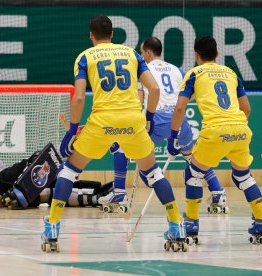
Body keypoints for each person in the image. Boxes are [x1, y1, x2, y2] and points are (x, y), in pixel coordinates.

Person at [41, 15, 187, 252]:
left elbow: (78, 97)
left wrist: (71, 132)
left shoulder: (85, 57)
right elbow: (154, 88)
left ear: (91, 35)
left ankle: (53, 227)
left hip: (102, 121)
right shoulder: (132, 54)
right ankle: (176, 225)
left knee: (70, 169)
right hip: (132, 120)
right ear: (112, 35)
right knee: (153, 173)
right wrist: (148, 118)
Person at [99, 37, 228, 214]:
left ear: (149, 52)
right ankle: (218, 192)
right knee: (193, 158)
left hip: (155, 119)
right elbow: (191, 94)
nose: (142, 56)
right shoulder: (176, 70)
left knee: (122, 147)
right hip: (178, 119)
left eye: (143, 52)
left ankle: (120, 193)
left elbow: (139, 101)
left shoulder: (142, 69)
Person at [168, 36, 262, 244]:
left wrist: (173, 136)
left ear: (196, 55)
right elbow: (247, 109)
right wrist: (235, 127)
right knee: (243, 177)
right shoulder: (232, 73)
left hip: (215, 132)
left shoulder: (194, 73)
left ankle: (191, 224)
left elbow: (180, 108)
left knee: (193, 174)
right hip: (241, 129)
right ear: (217, 54)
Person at [0, 120, 110, 209]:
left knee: (49, 195)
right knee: (37, 160)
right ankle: (94, 188)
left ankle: (97, 196)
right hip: (0, 180)